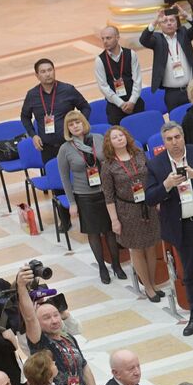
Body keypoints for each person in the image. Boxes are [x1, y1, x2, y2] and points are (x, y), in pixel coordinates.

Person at [145, 120, 193, 337]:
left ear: (183, 137)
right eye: (169, 139)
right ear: (164, 142)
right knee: (190, 273)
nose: (174, 142)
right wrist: (166, 185)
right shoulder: (156, 165)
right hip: (181, 228)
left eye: (177, 137)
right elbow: (149, 198)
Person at [58, 111, 126, 286]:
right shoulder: (65, 149)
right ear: (68, 128)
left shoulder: (97, 138)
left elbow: (111, 161)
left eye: (77, 122)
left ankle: (117, 265)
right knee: (94, 232)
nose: (75, 126)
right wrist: (72, 202)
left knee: (110, 230)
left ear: (84, 123)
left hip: (105, 191)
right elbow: (65, 178)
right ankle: (102, 267)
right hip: (84, 195)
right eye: (71, 124)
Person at [100, 126, 163, 303]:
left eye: (121, 135)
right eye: (115, 137)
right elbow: (108, 196)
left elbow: (152, 176)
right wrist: (114, 220)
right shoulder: (108, 166)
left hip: (148, 205)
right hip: (127, 210)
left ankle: (153, 282)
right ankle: (148, 287)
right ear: (109, 143)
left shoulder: (140, 154)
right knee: (137, 249)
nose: (119, 138)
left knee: (151, 246)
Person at [19, 58, 91, 161]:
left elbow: (85, 107)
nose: (48, 74)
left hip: (70, 143)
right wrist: (33, 135)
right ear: (37, 75)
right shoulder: (32, 95)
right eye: (43, 72)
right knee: (53, 175)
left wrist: (81, 125)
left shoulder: (67, 89)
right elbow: (25, 117)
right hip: (47, 148)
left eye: (50, 70)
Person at [139, 6, 193, 110]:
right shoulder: (157, 39)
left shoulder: (183, 34)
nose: (169, 23)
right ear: (160, 25)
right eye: (165, 21)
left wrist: (185, 14)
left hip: (192, 88)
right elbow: (143, 40)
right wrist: (155, 21)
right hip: (172, 93)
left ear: (176, 23)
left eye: (172, 20)